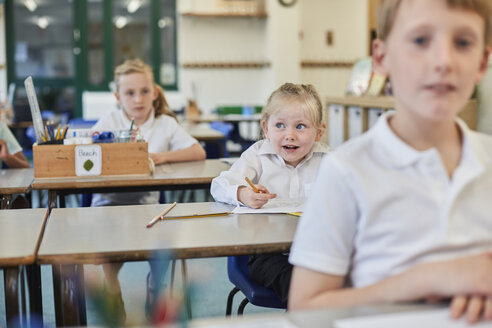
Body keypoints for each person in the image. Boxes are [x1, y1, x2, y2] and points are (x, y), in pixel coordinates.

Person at [289, 0, 492, 324]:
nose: (443, 61)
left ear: (482, 61)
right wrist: (423, 279)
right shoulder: (346, 170)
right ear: (382, 58)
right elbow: (305, 309)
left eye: (463, 43)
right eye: (420, 40)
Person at [91, 58, 206, 322]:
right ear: (118, 96)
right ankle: (114, 299)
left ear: (154, 93)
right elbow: (89, 153)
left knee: (161, 253)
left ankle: (154, 294)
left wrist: (157, 156)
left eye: (144, 91)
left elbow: (198, 151)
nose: (138, 99)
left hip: (148, 209)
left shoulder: (165, 124)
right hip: (106, 207)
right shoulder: (109, 120)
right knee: (107, 261)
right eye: (130, 93)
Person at [211, 83, 329, 304]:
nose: (290, 135)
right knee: (299, 286)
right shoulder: (257, 155)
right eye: (280, 125)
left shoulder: (329, 161)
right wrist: (243, 193)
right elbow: (219, 185)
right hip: (267, 254)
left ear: (319, 132)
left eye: (301, 126)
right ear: (266, 128)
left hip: (316, 249)